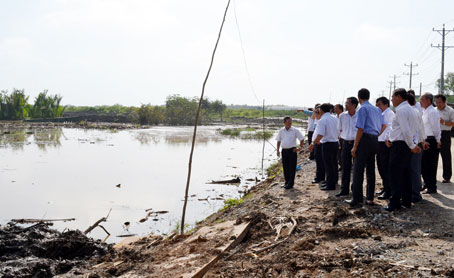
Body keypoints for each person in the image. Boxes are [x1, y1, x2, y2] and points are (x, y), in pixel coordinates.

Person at [383, 89, 421, 212]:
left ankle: (394, 203)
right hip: (405, 145)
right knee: (405, 174)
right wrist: (413, 144)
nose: (392, 99)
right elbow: (414, 130)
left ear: (399, 97)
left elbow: (405, 130)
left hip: (401, 145)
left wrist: (411, 145)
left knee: (395, 175)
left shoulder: (401, 110)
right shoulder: (413, 110)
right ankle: (406, 200)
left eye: (393, 97)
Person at [346, 88, 384, 208]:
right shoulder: (376, 109)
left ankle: (357, 199)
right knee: (371, 170)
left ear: (359, 98)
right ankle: (370, 198)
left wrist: (355, 146)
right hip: (374, 139)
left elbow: (360, 128)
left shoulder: (362, 108)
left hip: (365, 139)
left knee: (358, 170)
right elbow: (382, 125)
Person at [309, 103, 339, 191]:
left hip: (327, 144)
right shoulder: (335, 118)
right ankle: (332, 182)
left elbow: (320, 135)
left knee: (328, 165)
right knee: (333, 164)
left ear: (321, 110)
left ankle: (330, 185)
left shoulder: (323, 120)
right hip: (335, 142)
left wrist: (312, 144)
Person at [336, 97, 358, 197]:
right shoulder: (342, 116)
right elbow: (339, 130)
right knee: (345, 167)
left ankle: (355, 188)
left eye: (347, 103)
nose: (345, 104)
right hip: (345, 143)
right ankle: (344, 189)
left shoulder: (359, 115)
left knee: (357, 167)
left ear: (354, 105)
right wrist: (339, 141)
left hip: (357, 143)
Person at [407, 93, 427, 203]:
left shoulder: (411, 112)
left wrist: (419, 142)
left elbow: (416, 130)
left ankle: (415, 194)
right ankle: (414, 193)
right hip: (417, 143)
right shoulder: (416, 112)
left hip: (414, 144)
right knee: (414, 170)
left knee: (414, 170)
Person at [420, 93, 441, 194]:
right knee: (424, 164)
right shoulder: (424, 111)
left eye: (422, 100)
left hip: (431, 140)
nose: (420, 102)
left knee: (430, 164)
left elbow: (436, 128)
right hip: (425, 139)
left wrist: (438, 140)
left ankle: (432, 187)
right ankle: (427, 184)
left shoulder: (432, 112)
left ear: (428, 100)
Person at [276, 117, 304, 189]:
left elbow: (301, 139)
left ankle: (290, 183)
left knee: (292, 167)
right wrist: (277, 150)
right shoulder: (281, 130)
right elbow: (278, 141)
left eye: (291, 122)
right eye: (288, 122)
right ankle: (287, 182)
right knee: (285, 167)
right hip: (284, 151)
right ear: (284, 122)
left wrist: (299, 147)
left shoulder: (295, 130)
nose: (290, 124)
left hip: (292, 150)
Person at [375, 96, 394, 200]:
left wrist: (378, 135)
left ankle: (388, 190)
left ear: (386, 104)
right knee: (380, 166)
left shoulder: (389, 113)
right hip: (380, 142)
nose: (378, 107)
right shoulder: (382, 113)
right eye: (377, 105)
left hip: (385, 143)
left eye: (379, 105)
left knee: (385, 167)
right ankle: (385, 187)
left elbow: (387, 127)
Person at [435, 94, 454, 183]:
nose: (438, 104)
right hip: (434, 134)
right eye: (437, 102)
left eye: (440, 102)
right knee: (433, 156)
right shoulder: (434, 111)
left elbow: (453, 123)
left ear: (444, 102)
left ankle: (447, 176)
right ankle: (431, 176)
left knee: (446, 156)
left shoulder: (450, 111)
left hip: (445, 134)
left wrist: (444, 122)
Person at [334, 104, 344, 171]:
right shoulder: (334, 117)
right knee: (339, 152)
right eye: (334, 108)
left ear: (340, 109)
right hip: (336, 137)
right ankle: (341, 165)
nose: (335, 110)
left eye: (336, 108)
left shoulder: (344, 116)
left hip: (343, 137)